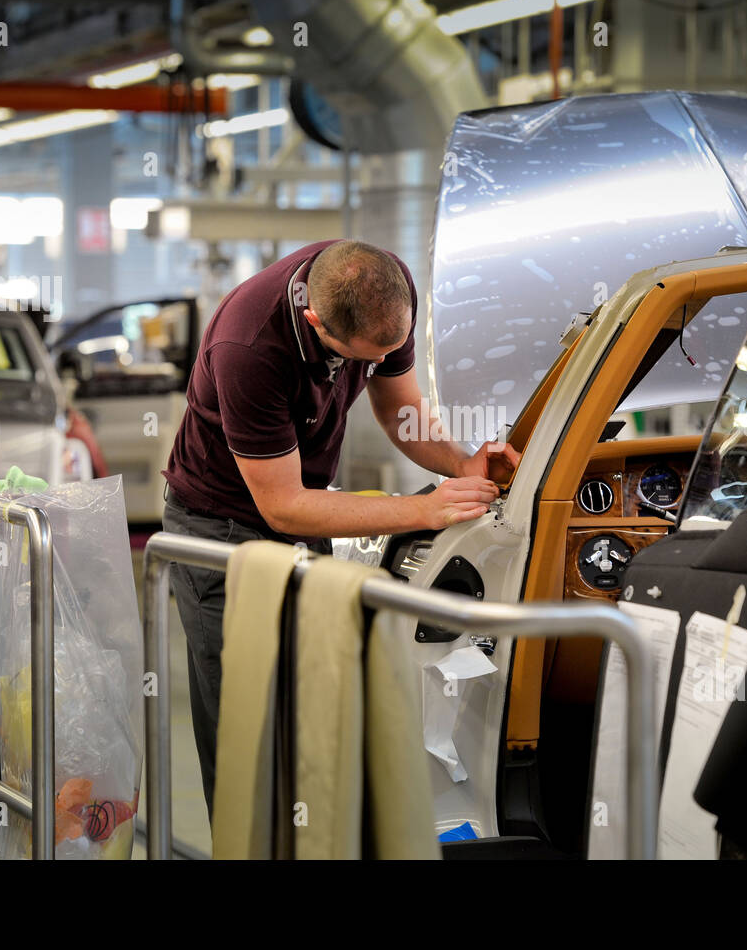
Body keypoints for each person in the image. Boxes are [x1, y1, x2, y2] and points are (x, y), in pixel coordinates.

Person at [161, 239, 520, 815]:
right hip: (220, 528)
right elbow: (283, 506)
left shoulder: (387, 289)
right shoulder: (248, 345)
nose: (372, 363)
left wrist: (462, 464)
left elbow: (397, 408)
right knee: (245, 726)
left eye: (386, 350)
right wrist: (425, 509)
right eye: (359, 356)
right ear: (313, 322)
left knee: (318, 705)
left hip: (302, 513)